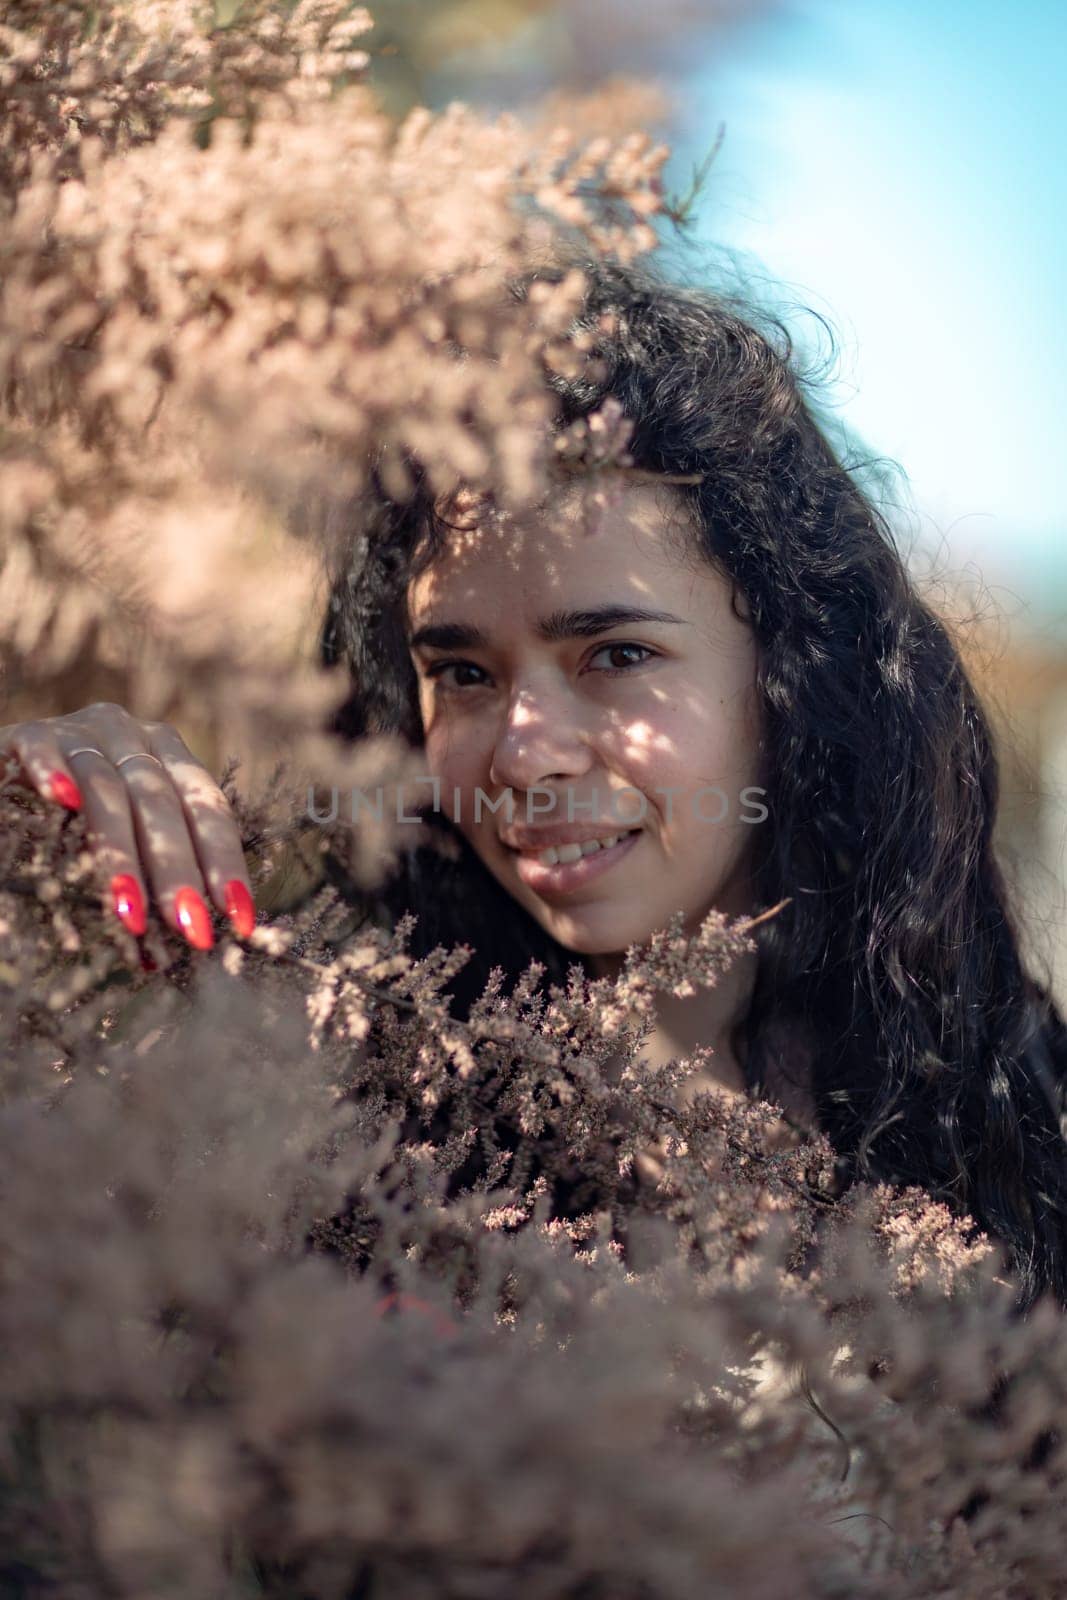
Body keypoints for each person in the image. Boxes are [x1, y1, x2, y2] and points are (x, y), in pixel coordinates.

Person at [4, 253, 1067, 1307]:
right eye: (461, 673)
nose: (520, 753)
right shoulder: (324, 1121)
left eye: (613, 655)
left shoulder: (1031, 1136)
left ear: (792, 669)